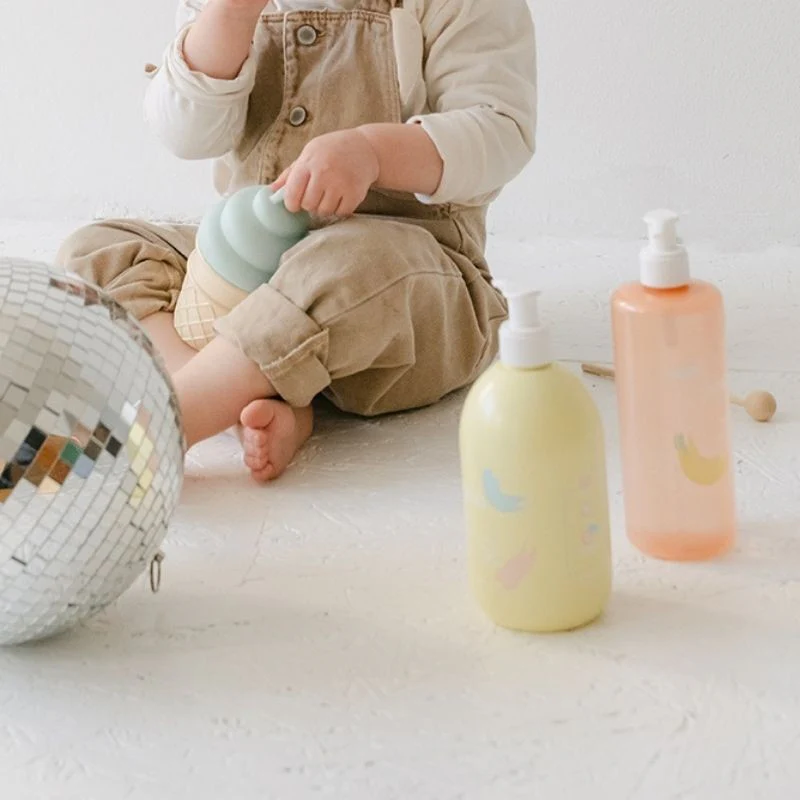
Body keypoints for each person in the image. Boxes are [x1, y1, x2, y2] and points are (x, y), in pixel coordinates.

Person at [57, 0, 537, 481]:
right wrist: (230, 15)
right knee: (98, 251)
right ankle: (234, 390)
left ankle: (174, 415)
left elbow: (501, 131)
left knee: (352, 265)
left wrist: (372, 151)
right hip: (247, 269)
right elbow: (187, 136)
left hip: (403, 280)